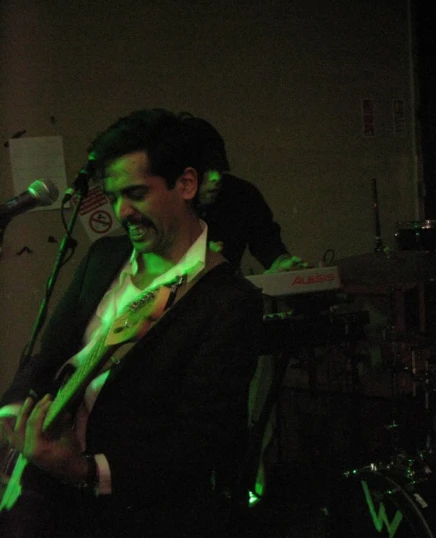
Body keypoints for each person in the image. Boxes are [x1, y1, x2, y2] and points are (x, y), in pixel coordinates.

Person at [0, 108, 264, 536]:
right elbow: (48, 356)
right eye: (113, 196)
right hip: (46, 493)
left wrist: (87, 471)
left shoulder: (228, 301)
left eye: (136, 193)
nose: (122, 211)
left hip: (135, 513)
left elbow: (200, 442)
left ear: (186, 185)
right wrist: (12, 413)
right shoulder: (103, 259)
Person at [179, 114, 306, 273]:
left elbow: (268, 245)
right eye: (206, 168)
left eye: (219, 167)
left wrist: (282, 265)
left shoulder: (241, 195)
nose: (216, 177)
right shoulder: (163, 202)